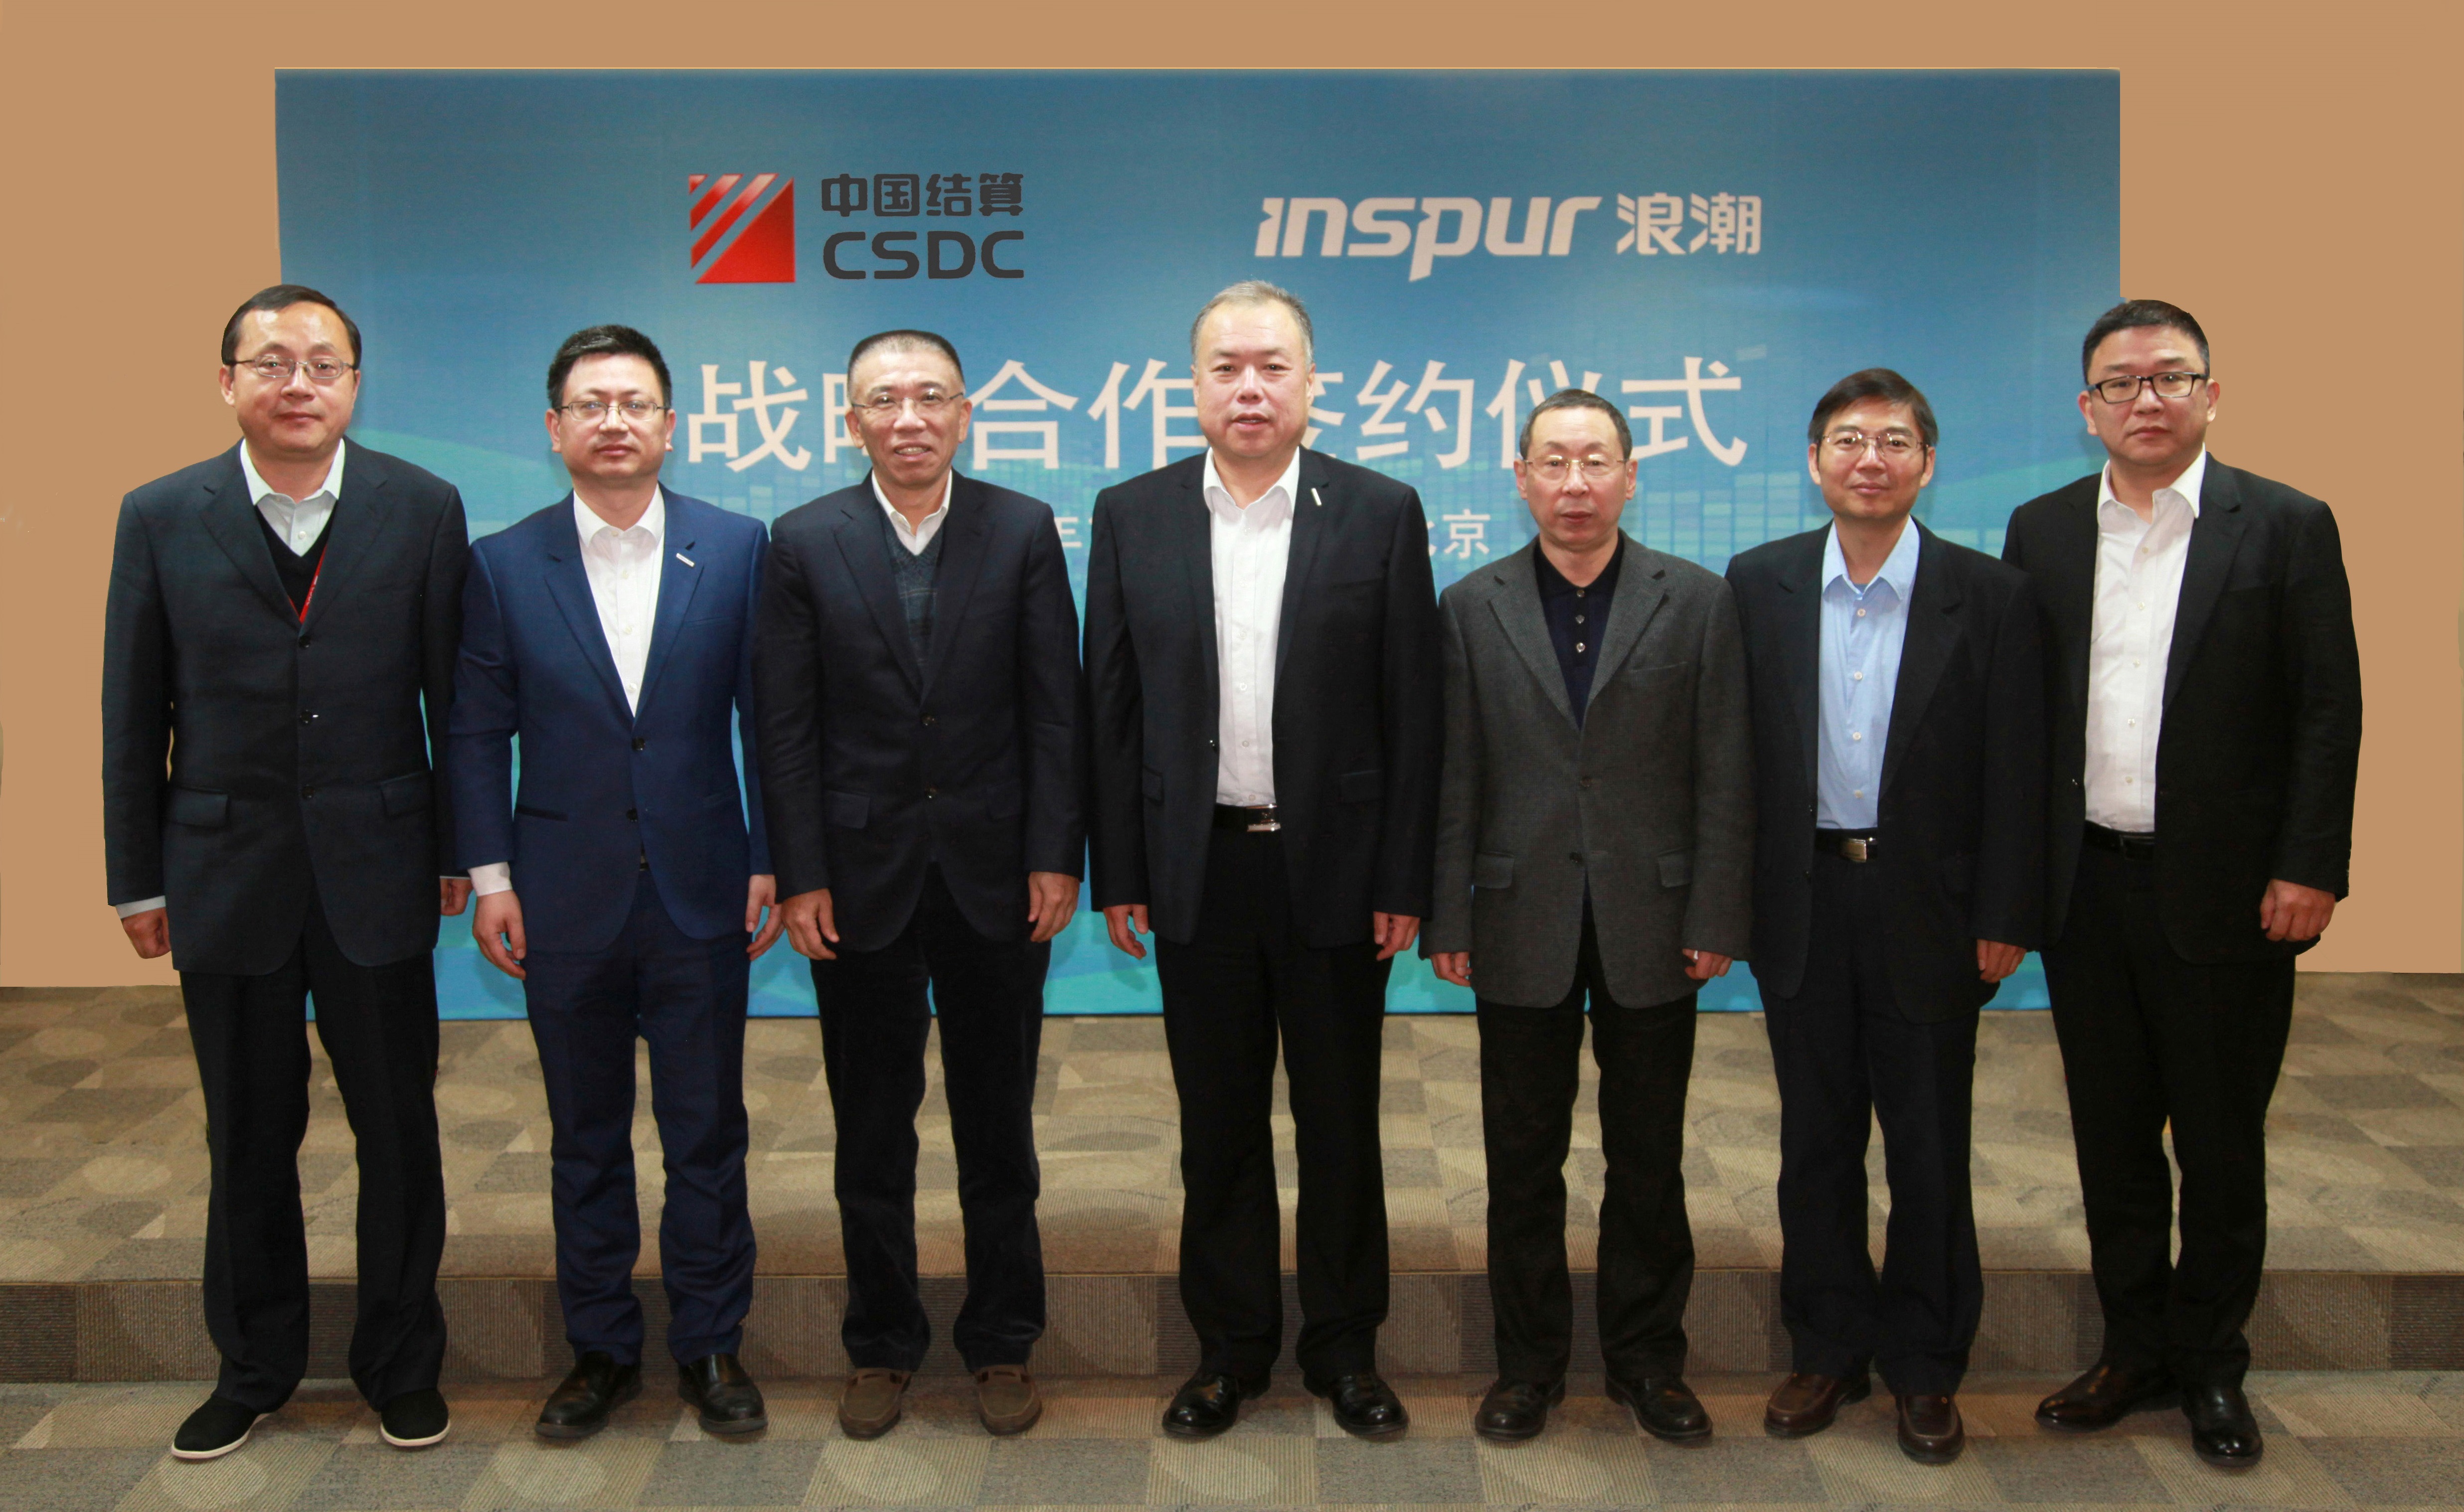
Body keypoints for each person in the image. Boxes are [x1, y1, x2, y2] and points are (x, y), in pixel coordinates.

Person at [102, 285, 468, 1460]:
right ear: (229, 382)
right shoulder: (162, 513)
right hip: (224, 870)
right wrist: (135, 877)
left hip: (380, 867)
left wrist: (460, 847)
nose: (298, 383)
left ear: (355, 384)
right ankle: (254, 1366)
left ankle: (401, 1362)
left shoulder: (422, 506)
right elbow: (131, 708)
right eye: (272, 363)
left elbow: (453, 700)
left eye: (323, 364)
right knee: (247, 1133)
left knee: (398, 1130)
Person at [2004, 300, 2361, 1469]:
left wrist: (2310, 862)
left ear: (2212, 392)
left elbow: (2327, 707)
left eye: (2169, 376)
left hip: (2229, 894)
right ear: (2087, 407)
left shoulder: (2287, 523)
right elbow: (2021, 715)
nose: (2145, 399)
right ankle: (2131, 1349)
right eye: (2121, 382)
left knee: (2218, 1139)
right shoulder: (2044, 529)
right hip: (2087, 889)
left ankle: (2212, 1362)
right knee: (2111, 1137)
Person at [1084, 282, 1441, 1441]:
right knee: (1219, 1125)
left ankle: (1345, 1348)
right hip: (1199, 868)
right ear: (1191, 385)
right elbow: (1112, 707)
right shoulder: (1132, 513)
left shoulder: (1380, 511)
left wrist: (1404, 878)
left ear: (1310, 383)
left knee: (1341, 1123)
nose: (1250, 388)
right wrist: (1121, 869)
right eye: (1226, 367)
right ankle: (1230, 1350)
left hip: (1335, 869)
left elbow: (1413, 709)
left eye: (1272, 367)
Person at [449, 325, 779, 1439]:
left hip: (701, 888)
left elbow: (768, 720)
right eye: (590, 405)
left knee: (706, 1133)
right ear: (555, 429)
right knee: (585, 1136)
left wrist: (770, 855)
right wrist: (491, 875)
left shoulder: (736, 547)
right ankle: (600, 1349)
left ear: (670, 425)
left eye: (635, 403)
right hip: (561, 894)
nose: (614, 421)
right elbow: (476, 732)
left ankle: (712, 1342)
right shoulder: (503, 562)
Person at [753, 329, 1083, 1440]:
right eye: (884, 400)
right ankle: (882, 1343)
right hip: (858, 882)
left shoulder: (1022, 527)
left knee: (999, 1128)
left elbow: (1055, 706)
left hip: (998, 876)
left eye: (931, 396)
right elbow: (786, 725)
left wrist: (1055, 852)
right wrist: (801, 872)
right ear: (851, 420)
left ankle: (1003, 1339)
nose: (909, 418)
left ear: (965, 412)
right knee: (870, 1132)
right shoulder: (804, 540)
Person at [1726, 369, 2045, 1465]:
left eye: (1895, 440)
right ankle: (1826, 1346)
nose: (1872, 459)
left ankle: (1925, 1361)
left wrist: (2005, 910)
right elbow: (1731, 759)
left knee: (1928, 1142)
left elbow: (2019, 768)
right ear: (1815, 462)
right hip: (1803, 901)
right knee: (1815, 1140)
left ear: (1928, 462)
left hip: (1933, 909)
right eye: (1850, 440)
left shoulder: (1990, 594)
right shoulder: (1759, 583)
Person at [1425, 389, 1751, 1444]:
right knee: (1522, 1158)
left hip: (1655, 916)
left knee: (1647, 1157)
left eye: (1596, 461)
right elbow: (1453, 774)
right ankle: (1528, 1365)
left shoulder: (1697, 600)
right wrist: (1448, 915)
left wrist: (1716, 908)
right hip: (1517, 913)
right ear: (1519, 477)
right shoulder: (1469, 605)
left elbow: (1725, 770)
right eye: (1554, 462)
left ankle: (1648, 1360)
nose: (1576, 483)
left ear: (1631, 474)